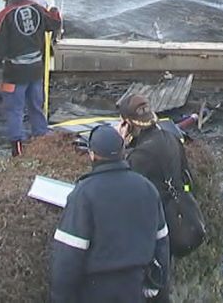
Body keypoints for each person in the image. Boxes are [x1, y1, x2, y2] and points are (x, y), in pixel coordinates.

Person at [49, 125, 170, 303]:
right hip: (135, 289)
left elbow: (68, 258)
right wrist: (157, 289)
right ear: (123, 151)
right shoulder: (147, 188)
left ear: (92, 154)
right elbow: (162, 244)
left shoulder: (84, 194)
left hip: (95, 291)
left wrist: (60, 298)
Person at [117, 94, 191, 303]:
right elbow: (187, 176)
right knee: (163, 283)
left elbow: (123, 185)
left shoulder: (138, 157)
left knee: (149, 286)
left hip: (149, 228)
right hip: (172, 220)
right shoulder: (171, 139)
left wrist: (120, 146)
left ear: (128, 123)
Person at [0, 0, 60, 157]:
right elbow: (53, 24)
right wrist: (53, 9)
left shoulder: (6, 14)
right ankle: (41, 142)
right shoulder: (36, 7)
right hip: (35, 69)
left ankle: (17, 151)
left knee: (14, 110)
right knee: (36, 105)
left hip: (14, 73)